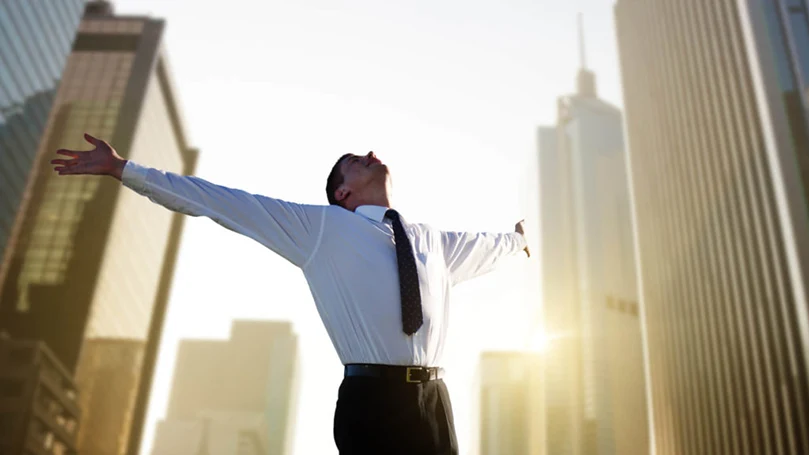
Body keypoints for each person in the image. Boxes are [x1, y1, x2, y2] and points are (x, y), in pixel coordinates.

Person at [51, 133, 530, 455]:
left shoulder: (433, 242)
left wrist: (521, 240)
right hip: (372, 399)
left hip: (435, 401)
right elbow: (220, 201)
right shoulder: (320, 228)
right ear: (342, 194)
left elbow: (493, 246)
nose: (367, 153)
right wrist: (123, 170)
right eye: (352, 163)